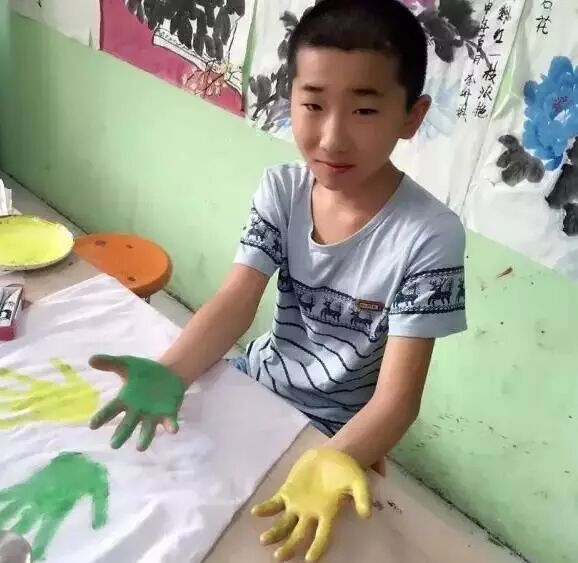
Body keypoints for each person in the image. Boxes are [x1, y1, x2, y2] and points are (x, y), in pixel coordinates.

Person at [89, 0, 467, 559]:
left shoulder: (429, 234)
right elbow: (236, 300)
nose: (332, 138)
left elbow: (397, 399)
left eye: (364, 110)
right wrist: (174, 369)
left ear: (411, 116)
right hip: (255, 383)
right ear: (290, 98)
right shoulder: (282, 189)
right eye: (313, 104)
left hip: (333, 434)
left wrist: (342, 454)